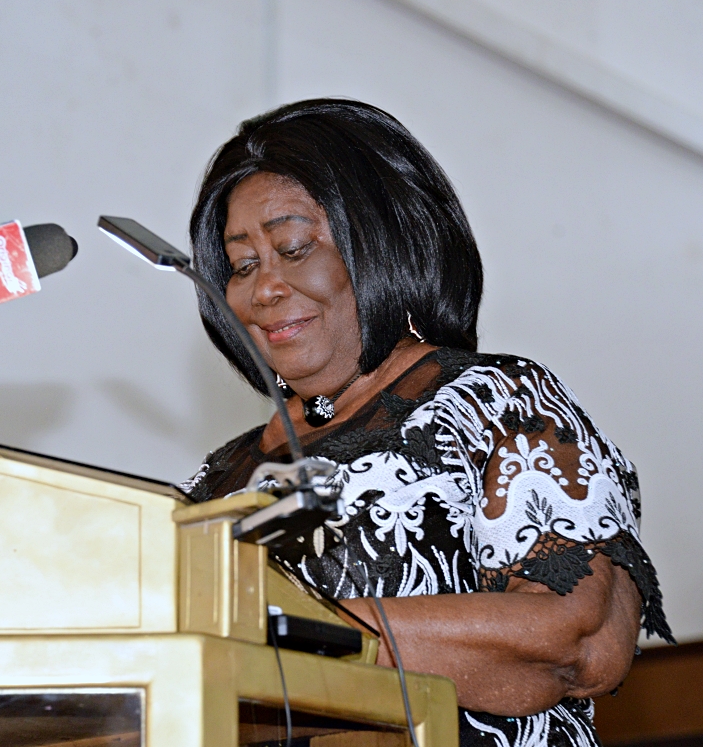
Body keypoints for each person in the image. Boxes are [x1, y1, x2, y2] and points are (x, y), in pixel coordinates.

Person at [182, 99, 673, 747]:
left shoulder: (496, 404)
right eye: (242, 265)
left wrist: (292, 632)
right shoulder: (217, 479)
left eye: (293, 248)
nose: (263, 288)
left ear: (380, 239)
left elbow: (574, 637)